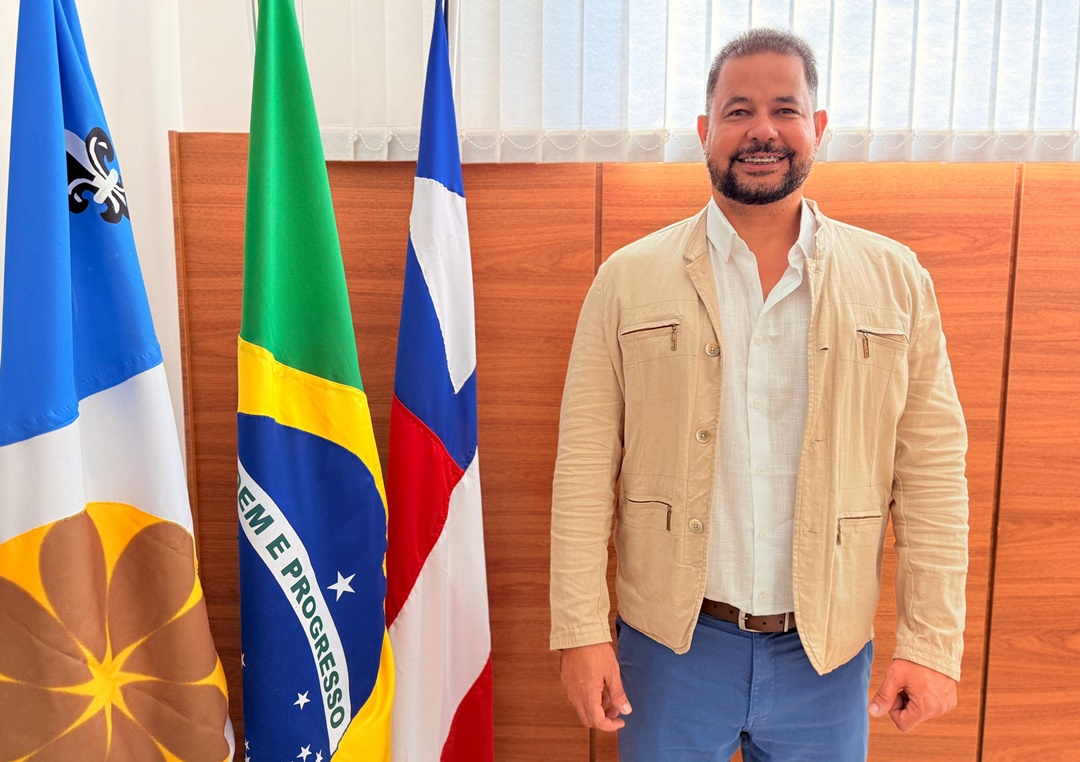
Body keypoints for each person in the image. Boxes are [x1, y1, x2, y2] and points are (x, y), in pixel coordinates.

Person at [549, 28, 968, 761]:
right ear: (706, 130)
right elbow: (584, 469)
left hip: (826, 654)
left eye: (785, 109)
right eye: (738, 111)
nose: (762, 130)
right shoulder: (627, 279)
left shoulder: (897, 280)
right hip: (670, 647)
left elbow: (931, 472)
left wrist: (932, 641)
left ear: (818, 127)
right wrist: (581, 630)